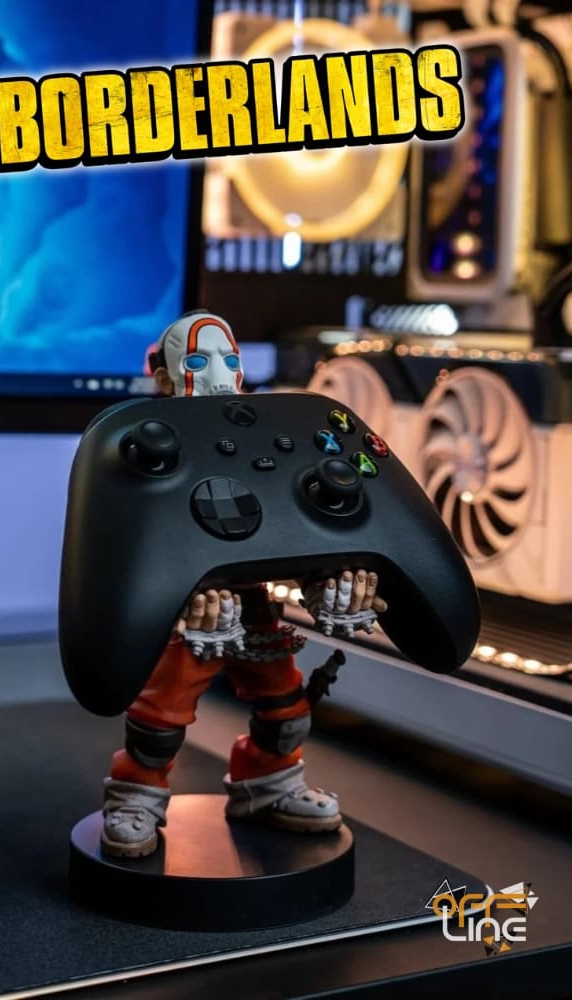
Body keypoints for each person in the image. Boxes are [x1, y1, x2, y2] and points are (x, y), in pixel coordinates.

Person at [101, 311, 387, 858]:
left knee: (287, 711)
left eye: (228, 360)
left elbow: (294, 518)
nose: (217, 374)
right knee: (159, 719)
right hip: (188, 601)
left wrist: (326, 578)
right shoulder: (143, 443)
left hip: (252, 599)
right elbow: (134, 536)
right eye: (198, 360)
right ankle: (136, 794)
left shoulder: (262, 435)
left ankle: (268, 785)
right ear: (164, 377)